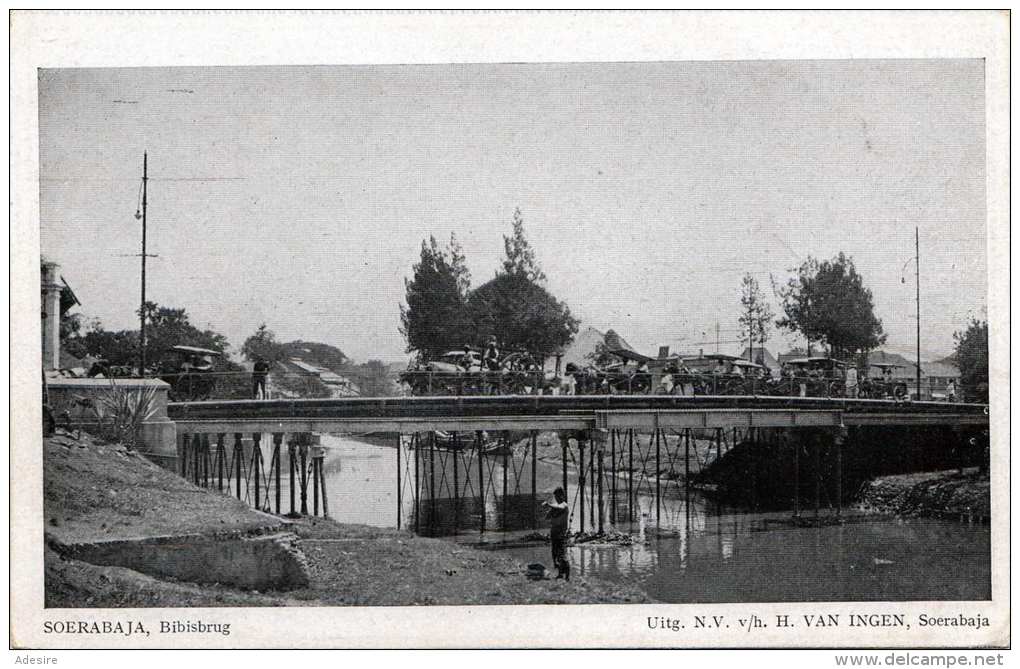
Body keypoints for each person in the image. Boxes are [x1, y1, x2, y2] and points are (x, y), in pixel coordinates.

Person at [542, 487, 571, 580]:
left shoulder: (564, 505)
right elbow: (546, 517)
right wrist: (550, 511)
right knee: (555, 554)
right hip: (554, 532)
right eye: (556, 497)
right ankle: (560, 574)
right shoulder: (555, 507)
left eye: (558, 496)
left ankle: (567, 576)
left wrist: (549, 505)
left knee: (561, 554)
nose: (557, 498)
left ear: (562, 496)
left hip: (561, 533)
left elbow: (559, 507)